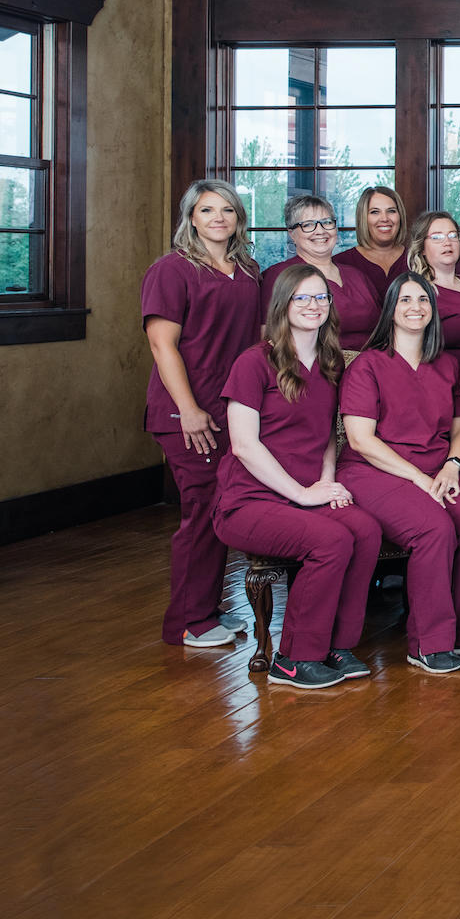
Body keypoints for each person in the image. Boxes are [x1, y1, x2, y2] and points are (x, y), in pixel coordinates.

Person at [213, 264, 382, 689]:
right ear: (282, 305)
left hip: (304, 493)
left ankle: (335, 645)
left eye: (320, 297)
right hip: (249, 502)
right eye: (301, 297)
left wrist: (325, 485)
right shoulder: (254, 363)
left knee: (365, 529)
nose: (313, 305)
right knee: (331, 540)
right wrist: (303, 495)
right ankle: (293, 659)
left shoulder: (330, 363)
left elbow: (328, 432)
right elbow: (244, 445)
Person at [339, 273, 460, 674]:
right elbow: (361, 441)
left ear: (433, 310)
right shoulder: (367, 365)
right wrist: (417, 478)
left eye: (423, 300)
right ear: (391, 309)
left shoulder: (446, 364)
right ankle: (429, 642)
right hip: (373, 471)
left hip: (436, 467)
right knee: (434, 528)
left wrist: (452, 464)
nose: (415, 307)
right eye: (406, 300)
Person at [141, 179, 264, 648]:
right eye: (207, 210)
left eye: (228, 210)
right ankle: (187, 622)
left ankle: (207, 609)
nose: (218, 218)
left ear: (238, 219)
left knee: (221, 506)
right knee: (200, 509)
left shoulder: (248, 270)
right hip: (188, 414)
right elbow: (161, 343)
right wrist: (188, 409)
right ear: (191, 217)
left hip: (230, 407)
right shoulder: (172, 270)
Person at [259, 193, 378, 352]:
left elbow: (382, 328)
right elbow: (269, 338)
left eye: (327, 222)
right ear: (291, 234)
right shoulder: (280, 275)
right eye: (308, 225)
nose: (320, 231)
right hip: (318, 368)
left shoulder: (357, 275)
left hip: (368, 367)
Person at [408, 209, 460, 367]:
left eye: (453, 235)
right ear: (422, 248)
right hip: (453, 377)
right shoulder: (419, 292)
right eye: (437, 237)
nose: (447, 242)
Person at [334, 185, 408, 308]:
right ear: (363, 218)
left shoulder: (417, 260)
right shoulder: (340, 263)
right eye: (375, 212)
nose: (384, 218)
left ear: (400, 216)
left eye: (391, 211)